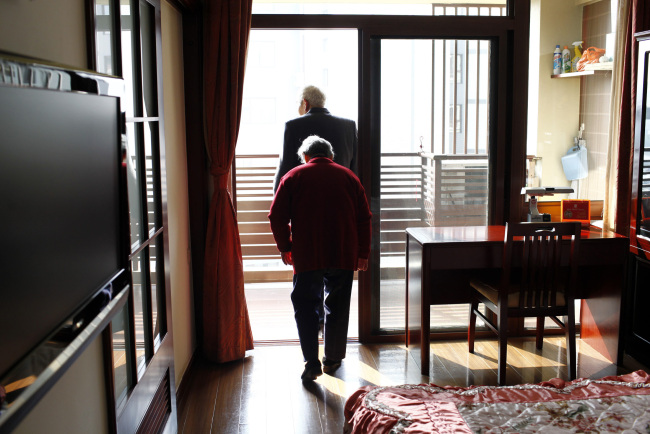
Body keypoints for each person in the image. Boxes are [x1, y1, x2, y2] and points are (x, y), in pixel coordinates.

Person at [268, 136, 371, 382]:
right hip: (342, 253)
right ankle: (333, 358)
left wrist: (285, 246)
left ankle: (311, 362)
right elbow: (364, 218)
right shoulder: (350, 177)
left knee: (305, 306)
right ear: (331, 156)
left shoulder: (293, 177)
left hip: (307, 253)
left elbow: (275, 215)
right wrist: (363, 253)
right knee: (337, 306)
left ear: (306, 156)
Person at [273, 85, 358, 193]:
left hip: (305, 199)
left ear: (305, 103)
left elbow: (285, 167)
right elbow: (355, 168)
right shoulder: (349, 126)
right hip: (341, 197)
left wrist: (276, 196)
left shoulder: (292, 126)